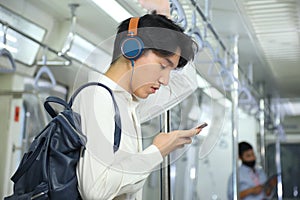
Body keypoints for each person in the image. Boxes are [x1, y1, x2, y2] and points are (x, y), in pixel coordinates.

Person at [73, 13, 201, 200]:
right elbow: (95, 191)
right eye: (163, 66)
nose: (165, 81)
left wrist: (166, 19)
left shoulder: (127, 103)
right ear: (131, 49)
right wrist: (157, 151)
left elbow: (186, 83)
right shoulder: (97, 98)